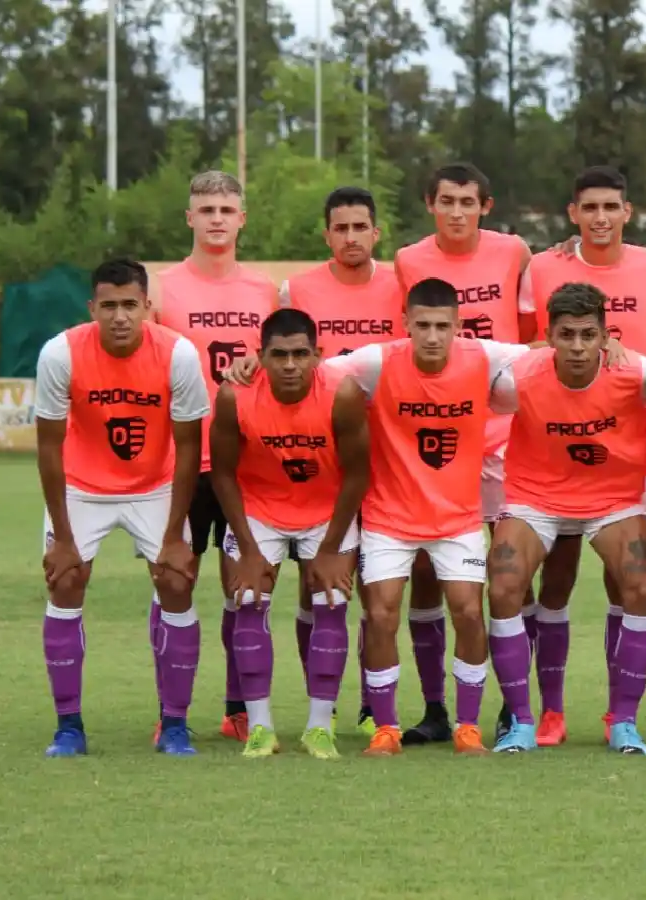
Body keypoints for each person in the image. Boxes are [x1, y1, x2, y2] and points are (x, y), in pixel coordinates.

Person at [518, 165, 646, 745]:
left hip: (629, 451)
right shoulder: (543, 266)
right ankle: (550, 711)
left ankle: (620, 716)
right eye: (588, 207)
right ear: (573, 213)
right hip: (556, 445)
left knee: (628, 584)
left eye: (610, 207)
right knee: (556, 579)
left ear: (627, 211)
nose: (599, 218)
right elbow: (527, 342)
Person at [340, 276, 532, 756]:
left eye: (442, 326)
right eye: (422, 325)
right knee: (380, 613)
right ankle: (386, 728)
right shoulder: (376, 362)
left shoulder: (484, 357)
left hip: (457, 519)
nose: (431, 336)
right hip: (388, 516)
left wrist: (611, 348)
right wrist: (251, 365)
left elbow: (544, 357)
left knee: (468, 611)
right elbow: (315, 374)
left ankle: (467, 727)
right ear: (405, 322)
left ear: (458, 326)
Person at [35, 258, 209, 757]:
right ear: (92, 308)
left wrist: (174, 537)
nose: (120, 317)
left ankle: (174, 725)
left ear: (147, 306)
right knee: (66, 580)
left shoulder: (178, 354)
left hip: (155, 484)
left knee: (176, 582)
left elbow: (189, 448)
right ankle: (68, 727)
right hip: (81, 485)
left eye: (130, 305)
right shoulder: (60, 353)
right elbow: (49, 446)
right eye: (109, 306)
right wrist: (63, 538)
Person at [390, 163, 536, 746]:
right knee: (427, 572)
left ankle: (511, 707)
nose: (456, 212)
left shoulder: (513, 252)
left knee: (509, 576)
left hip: (501, 437)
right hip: (436, 438)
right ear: (430, 203)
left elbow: (531, 331)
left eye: (467, 201)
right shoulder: (408, 261)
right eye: (446, 201)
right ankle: (435, 708)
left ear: (485, 206)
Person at [486, 282, 646, 754]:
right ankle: (521, 722)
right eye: (567, 335)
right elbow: (467, 370)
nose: (579, 346)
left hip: (611, 500)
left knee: (640, 586)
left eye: (589, 335)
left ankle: (624, 722)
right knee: (503, 585)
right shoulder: (517, 377)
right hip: (536, 498)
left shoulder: (637, 373)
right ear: (549, 337)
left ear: (606, 336)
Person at [209, 308, 371, 759]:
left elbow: (358, 474)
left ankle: (319, 728)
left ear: (318, 354)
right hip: (259, 510)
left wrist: (330, 549)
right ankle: (260, 728)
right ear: (260, 356)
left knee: (332, 600)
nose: (290, 365)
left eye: (300, 354)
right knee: (247, 598)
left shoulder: (342, 394)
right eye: (279, 355)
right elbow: (222, 474)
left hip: (325, 511)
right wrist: (247, 549)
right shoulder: (234, 396)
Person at [152, 170, 279, 743]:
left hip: (242, 462)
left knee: (244, 588)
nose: (217, 220)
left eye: (227, 210)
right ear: (190, 218)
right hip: (178, 461)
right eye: (207, 210)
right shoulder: (163, 289)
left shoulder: (264, 292)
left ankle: (236, 709)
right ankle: (170, 711)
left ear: (242, 218)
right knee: (173, 582)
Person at [277, 185, 403, 737]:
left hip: (393, 454)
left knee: (381, 589)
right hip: (323, 455)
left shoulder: (401, 286)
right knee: (317, 586)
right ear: (327, 235)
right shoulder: (298, 290)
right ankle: (320, 704)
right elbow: (280, 356)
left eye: (360, 227)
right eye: (340, 228)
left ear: (376, 232)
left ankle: (377, 705)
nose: (351, 237)